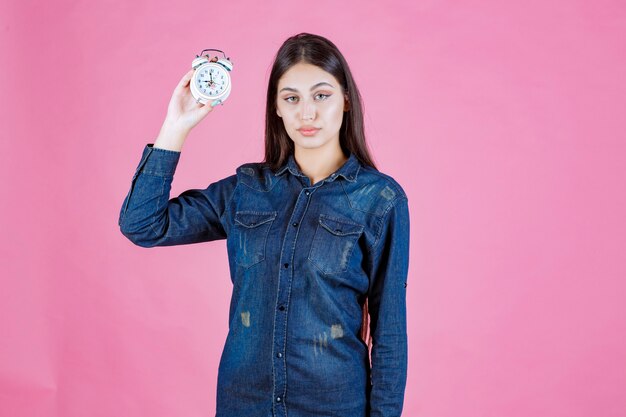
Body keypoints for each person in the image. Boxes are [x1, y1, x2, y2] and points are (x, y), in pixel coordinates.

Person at [119, 32, 410, 417]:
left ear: (346, 100)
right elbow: (143, 224)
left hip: (334, 404)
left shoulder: (380, 199)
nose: (307, 113)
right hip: (244, 404)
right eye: (292, 98)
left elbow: (389, 334)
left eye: (321, 95)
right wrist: (176, 126)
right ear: (276, 107)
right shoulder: (246, 190)